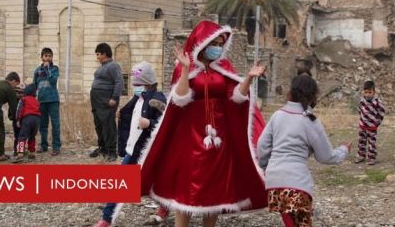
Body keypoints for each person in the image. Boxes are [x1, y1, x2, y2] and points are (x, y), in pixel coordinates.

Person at [139, 20, 267, 227]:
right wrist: (186, 70)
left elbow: (235, 98)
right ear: (202, 43)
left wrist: (249, 79)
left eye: (220, 43)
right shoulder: (185, 67)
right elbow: (180, 99)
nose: (217, 47)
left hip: (219, 137)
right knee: (186, 185)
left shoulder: (224, 67)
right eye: (213, 42)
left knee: (215, 186)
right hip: (190, 135)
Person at [258, 74, 351, 227]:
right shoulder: (310, 121)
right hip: (297, 185)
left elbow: (262, 147)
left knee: (290, 223)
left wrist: (265, 168)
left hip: (275, 184)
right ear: (313, 96)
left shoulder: (277, 116)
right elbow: (325, 156)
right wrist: (343, 150)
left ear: (291, 92)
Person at [93, 61, 167, 227]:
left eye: (138, 84)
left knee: (159, 183)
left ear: (148, 82)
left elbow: (166, 123)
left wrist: (150, 123)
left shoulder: (157, 98)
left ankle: (164, 207)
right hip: (133, 150)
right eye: (134, 84)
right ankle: (106, 219)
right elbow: (129, 118)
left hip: (149, 151)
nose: (135, 87)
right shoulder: (138, 98)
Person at [89, 43, 123, 162]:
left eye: (98, 54)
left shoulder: (113, 66)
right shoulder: (102, 67)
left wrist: (114, 98)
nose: (97, 57)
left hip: (106, 99)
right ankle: (102, 148)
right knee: (98, 124)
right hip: (96, 100)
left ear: (104, 54)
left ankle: (112, 151)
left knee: (108, 124)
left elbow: (119, 82)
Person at [33, 47, 61, 156]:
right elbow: (35, 85)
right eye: (46, 56)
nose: (48, 58)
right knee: (43, 124)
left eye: (50, 56)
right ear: (42, 57)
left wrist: (48, 69)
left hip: (53, 100)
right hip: (42, 100)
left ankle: (56, 147)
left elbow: (53, 81)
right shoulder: (37, 70)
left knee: (55, 124)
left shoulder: (54, 69)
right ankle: (43, 146)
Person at [354, 80, 386, 165]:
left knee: (372, 143)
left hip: (372, 127)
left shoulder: (377, 102)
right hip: (362, 126)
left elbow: (382, 112)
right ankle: (361, 156)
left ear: (374, 92)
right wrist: (361, 120)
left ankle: (371, 158)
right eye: (366, 92)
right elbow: (360, 110)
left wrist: (376, 122)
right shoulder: (362, 101)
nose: (367, 94)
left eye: (370, 92)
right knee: (361, 141)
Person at [13, 84, 41, 163]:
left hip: (27, 119)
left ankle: (20, 153)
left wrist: (18, 120)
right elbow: (40, 110)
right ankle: (32, 152)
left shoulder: (23, 99)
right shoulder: (37, 101)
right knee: (32, 136)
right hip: (37, 119)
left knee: (22, 136)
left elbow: (19, 110)